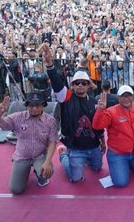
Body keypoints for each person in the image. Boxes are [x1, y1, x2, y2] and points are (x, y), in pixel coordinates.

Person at [42, 44, 105, 183]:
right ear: (73, 85)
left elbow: (98, 125)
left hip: (93, 146)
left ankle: (85, 160)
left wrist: (102, 141)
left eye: (84, 83)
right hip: (75, 148)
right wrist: (50, 65)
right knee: (76, 178)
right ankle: (64, 156)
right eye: (77, 83)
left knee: (97, 168)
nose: (80, 85)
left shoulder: (94, 101)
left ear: (89, 85)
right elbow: (57, 83)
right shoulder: (67, 97)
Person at [0, 92, 58, 194]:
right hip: (22, 156)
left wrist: (47, 162)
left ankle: (39, 173)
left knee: (47, 172)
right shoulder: (17, 117)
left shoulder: (50, 120)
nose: (34, 108)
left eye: (37, 105)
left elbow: (52, 142)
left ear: (43, 105)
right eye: (31, 105)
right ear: (26, 105)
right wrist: (0, 112)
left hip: (40, 155)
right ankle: (25, 171)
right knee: (16, 190)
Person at [92, 85, 134, 187]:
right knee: (120, 183)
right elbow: (97, 126)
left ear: (133, 97)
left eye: (129, 95)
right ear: (118, 98)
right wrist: (100, 110)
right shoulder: (110, 112)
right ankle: (118, 164)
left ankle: (129, 164)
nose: (126, 98)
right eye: (123, 96)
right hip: (118, 154)